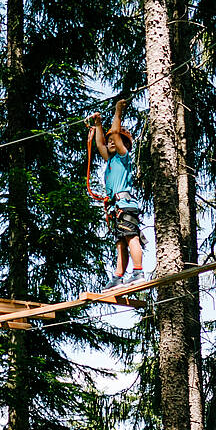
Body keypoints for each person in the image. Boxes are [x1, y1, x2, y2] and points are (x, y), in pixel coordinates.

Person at [86, 97, 146, 288]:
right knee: (121, 242)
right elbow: (99, 145)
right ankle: (118, 277)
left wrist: (118, 112)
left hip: (125, 204)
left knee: (131, 237)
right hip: (117, 207)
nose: (111, 142)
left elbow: (116, 134)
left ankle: (138, 272)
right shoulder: (111, 161)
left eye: (115, 141)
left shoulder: (123, 157)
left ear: (123, 145)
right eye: (110, 141)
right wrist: (97, 125)